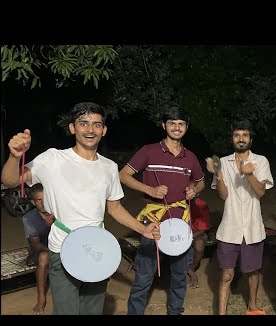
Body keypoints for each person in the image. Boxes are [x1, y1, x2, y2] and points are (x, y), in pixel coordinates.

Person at [1, 102, 160, 315]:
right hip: (62, 247)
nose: (90, 130)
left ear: (103, 130)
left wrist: (142, 229)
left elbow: (114, 207)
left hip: (97, 248)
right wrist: (15, 156)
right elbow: (10, 180)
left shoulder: (109, 167)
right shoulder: (53, 159)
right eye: (83, 123)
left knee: (92, 311)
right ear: (72, 128)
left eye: (96, 124)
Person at [121, 106, 205, 315]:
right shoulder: (149, 151)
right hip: (154, 222)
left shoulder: (190, 157)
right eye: (172, 123)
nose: (177, 128)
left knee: (179, 275)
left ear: (186, 127)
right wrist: (150, 189)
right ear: (164, 125)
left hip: (180, 222)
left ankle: (175, 311)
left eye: (181, 124)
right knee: (144, 275)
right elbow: (123, 175)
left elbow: (201, 181)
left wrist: (193, 189)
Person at [206, 119, 274, 315]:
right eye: (237, 135)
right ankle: (222, 312)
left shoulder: (260, 161)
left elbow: (261, 192)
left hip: (253, 227)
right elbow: (223, 195)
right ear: (232, 138)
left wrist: (249, 174)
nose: (241, 139)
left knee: (252, 271)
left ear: (250, 138)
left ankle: (252, 306)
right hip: (230, 227)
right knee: (227, 274)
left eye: (245, 135)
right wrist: (218, 175)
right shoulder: (224, 163)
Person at [22, 183, 55, 314]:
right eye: (38, 200)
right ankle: (41, 298)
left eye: (45, 199)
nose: (43, 203)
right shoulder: (28, 218)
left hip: (62, 248)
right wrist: (56, 251)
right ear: (33, 201)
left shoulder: (58, 212)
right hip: (41, 251)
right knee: (44, 256)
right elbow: (36, 244)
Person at [186, 195, 211, 288]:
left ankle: (191, 268)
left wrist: (188, 238)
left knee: (199, 245)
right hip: (180, 233)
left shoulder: (200, 205)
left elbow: (203, 229)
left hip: (196, 233)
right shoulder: (176, 203)